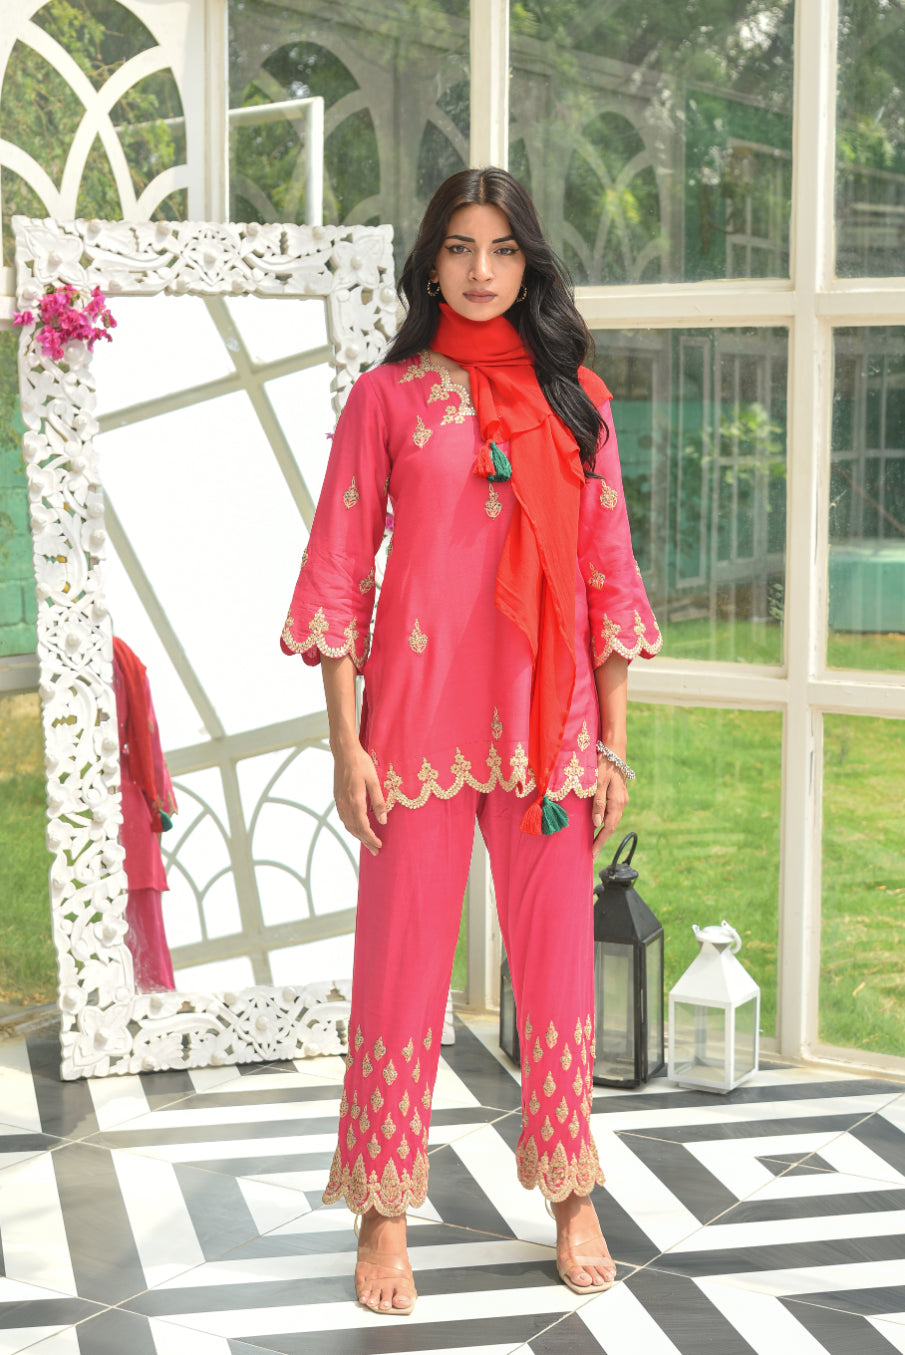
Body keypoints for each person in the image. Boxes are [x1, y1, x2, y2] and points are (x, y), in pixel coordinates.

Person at [280, 167, 661, 1315]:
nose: (480, 269)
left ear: (529, 263)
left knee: (554, 967)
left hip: (548, 729)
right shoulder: (388, 398)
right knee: (402, 963)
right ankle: (383, 1204)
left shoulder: (573, 397)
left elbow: (606, 580)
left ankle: (570, 1186)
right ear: (430, 263)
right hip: (415, 724)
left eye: (500, 248)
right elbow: (339, 575)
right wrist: (345, 745)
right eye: (458, 247)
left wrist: (608, 742)